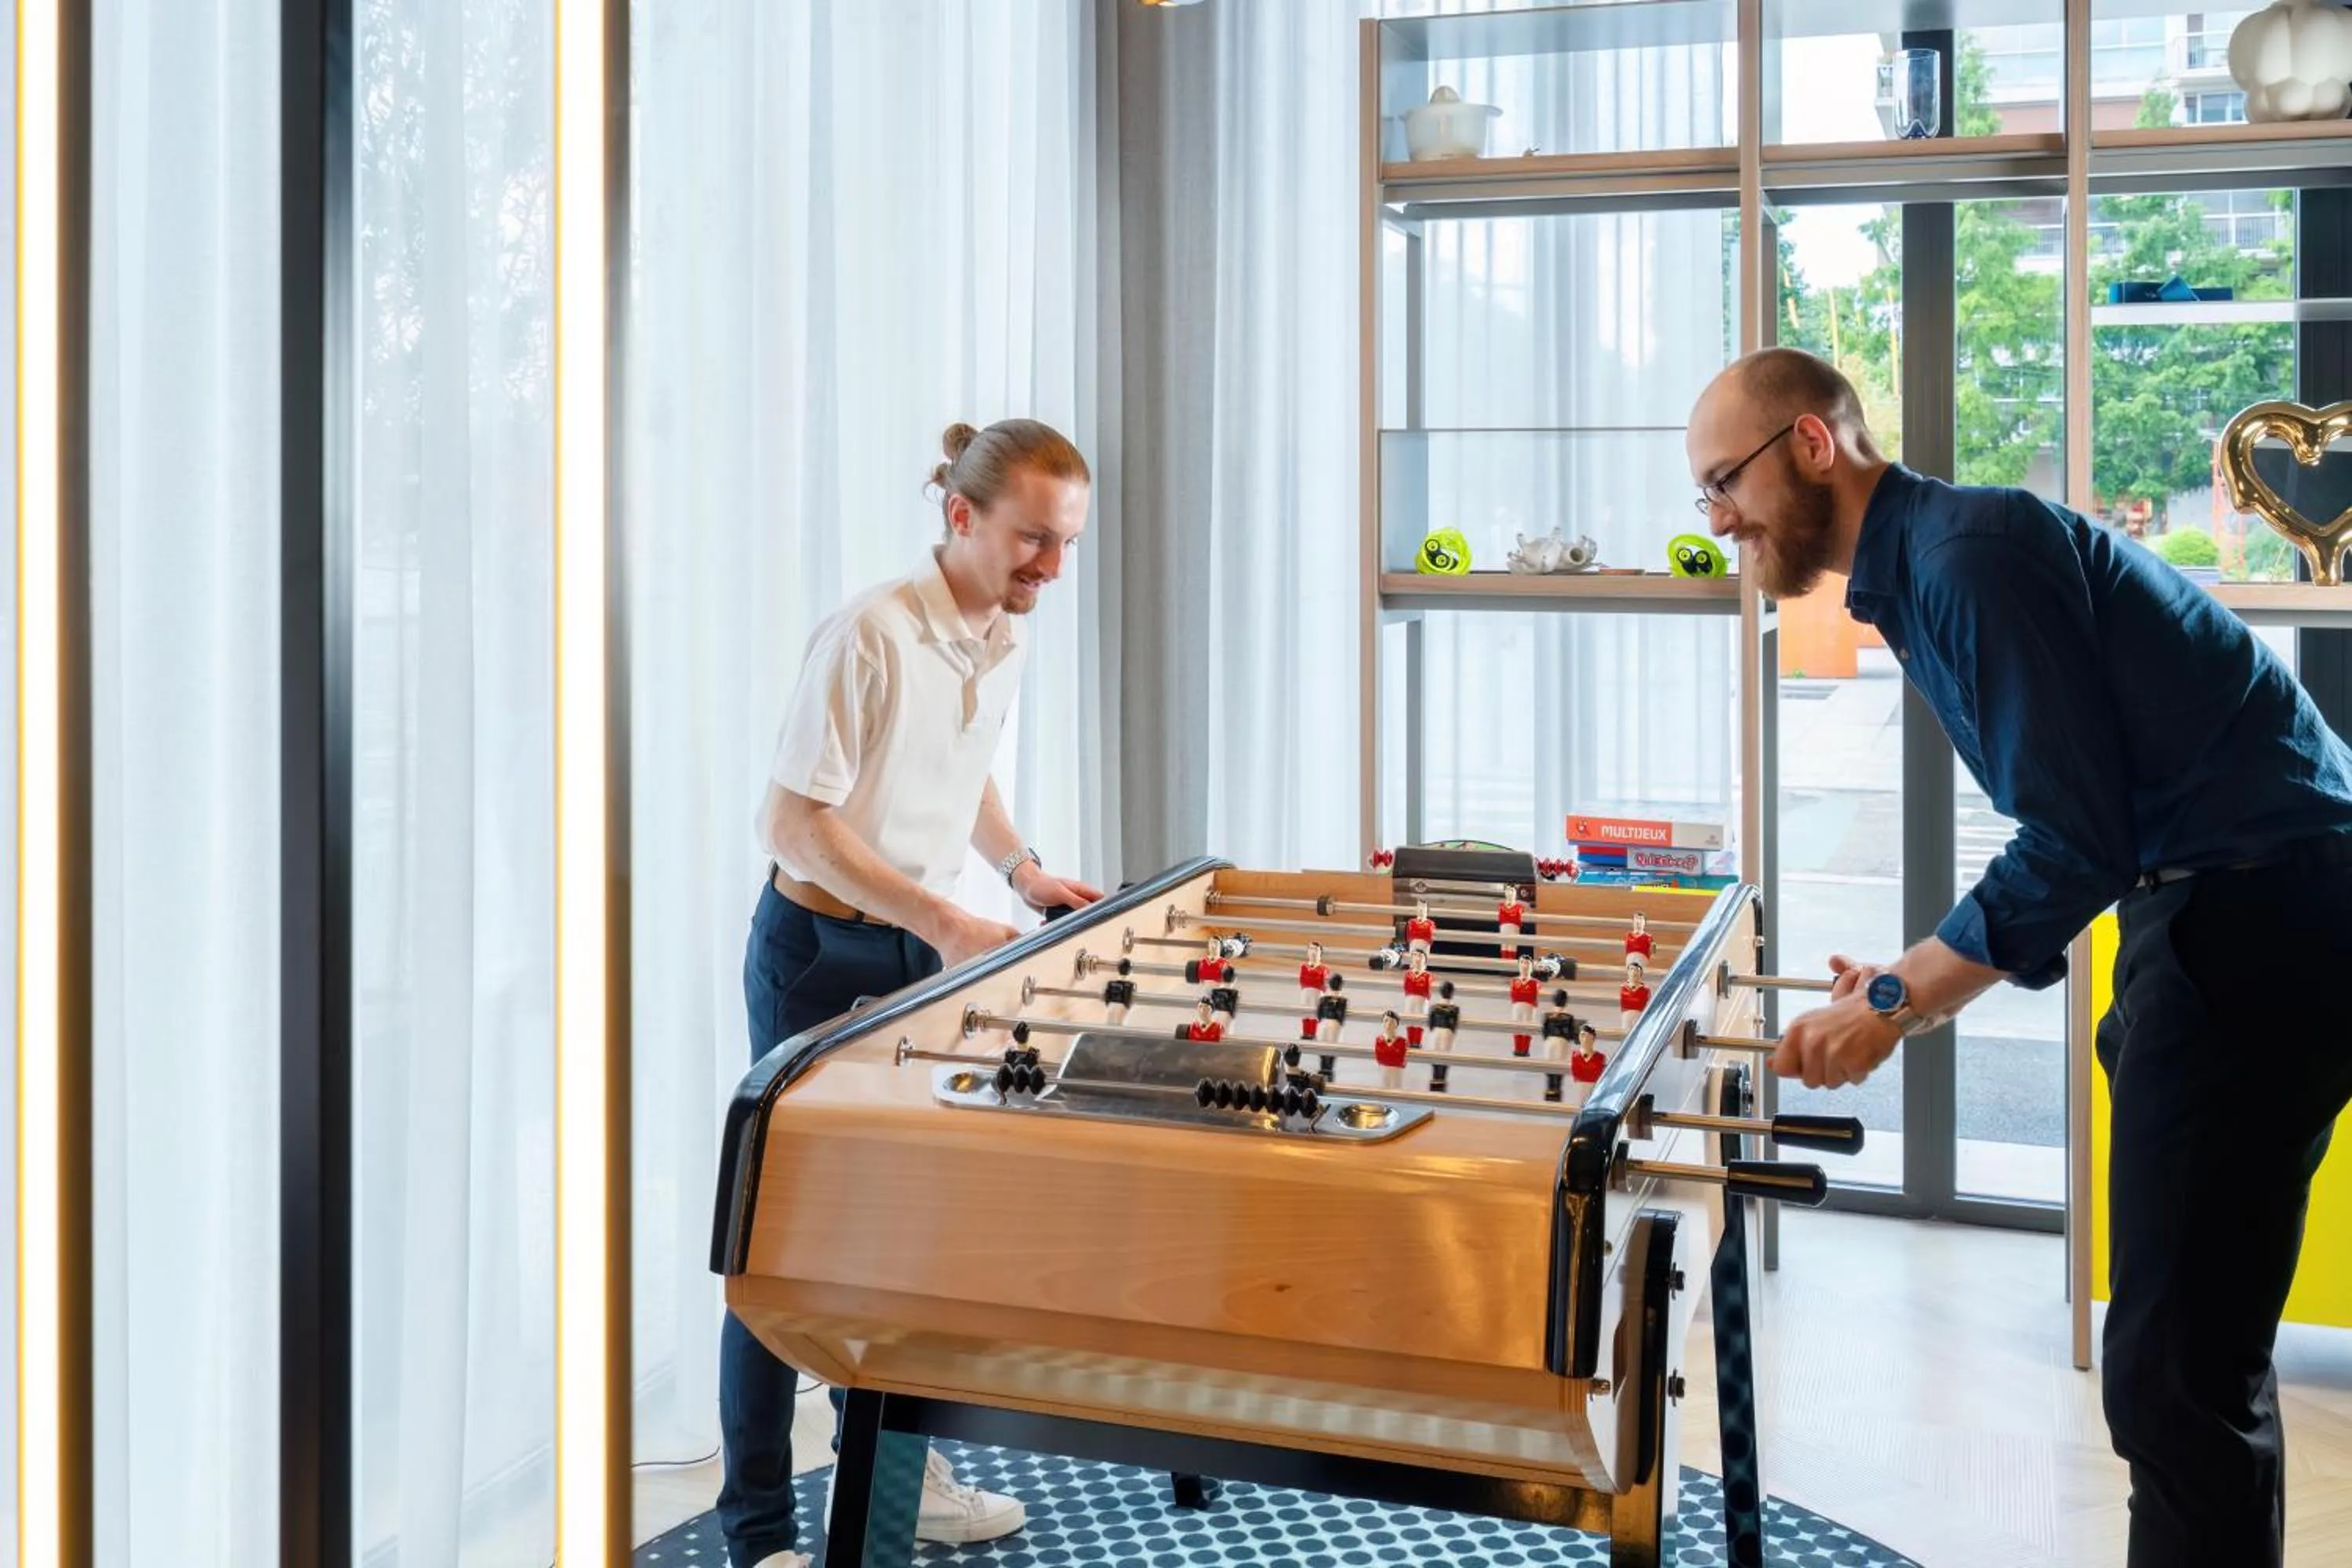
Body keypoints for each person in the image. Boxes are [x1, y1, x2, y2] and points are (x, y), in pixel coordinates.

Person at [1685, 347, 2352, 1567]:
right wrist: (1904, 979)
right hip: (2228, 911)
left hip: (2258, 915)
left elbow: (2075, 838)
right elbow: (2089, 829)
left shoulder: (1968, 559)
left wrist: (1897, 1001)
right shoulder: (1930, 566)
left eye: (1725, 482)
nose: (1719, 518)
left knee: (2174, 1375)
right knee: (2189, 1358)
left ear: (1812, 445)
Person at [723, 418, 1104, 1568]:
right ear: (960, 516)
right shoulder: (871, 635)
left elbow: (961, 766)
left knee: (899, 1230)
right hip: (821, 955)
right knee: (779, 1250)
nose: (1052, 567)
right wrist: (943, 920)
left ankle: (892, 1475)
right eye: (1034, 539)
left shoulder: (1001, 632)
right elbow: (793, 824)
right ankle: (758, 1535)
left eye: (1067, 542)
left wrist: (1021, 871)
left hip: (915, 956)